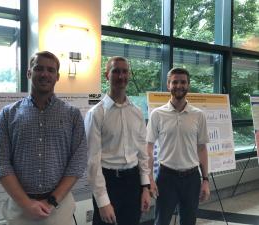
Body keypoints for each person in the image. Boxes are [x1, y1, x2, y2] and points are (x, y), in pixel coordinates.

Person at [0, 51, 87, 225]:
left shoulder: (72, 115)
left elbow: (78, 162)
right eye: (39, 68)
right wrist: (26, 204)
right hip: (20, 210)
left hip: (59, 208)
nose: (45, 74)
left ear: (57, 77)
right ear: (29, 73)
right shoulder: (7, 114)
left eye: (51, 70)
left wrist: (52, 200)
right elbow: (1, 163)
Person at [85, 56, 151, 225]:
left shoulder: (137, 113)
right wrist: (103, 201)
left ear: (128, 74)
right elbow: (92, 162)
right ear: (107, 75)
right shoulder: (96, 114)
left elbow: (143, 154)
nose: (121, 76)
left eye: (124, 71)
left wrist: (145, 187)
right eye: (116, 71)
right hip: (109, 182)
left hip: (133, 181)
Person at [146, 68, 210, 225]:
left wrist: (206, 180)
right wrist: (150, 179)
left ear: (188, 85)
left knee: (188, 222)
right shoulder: (157, 114)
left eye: (183, 82)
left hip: (192, 178)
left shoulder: (198, 115)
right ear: (168, 84)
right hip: (166, 178)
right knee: (161, 221)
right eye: (175, 82)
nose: (179, 85)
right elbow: (148, 148)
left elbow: (201, 149)